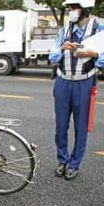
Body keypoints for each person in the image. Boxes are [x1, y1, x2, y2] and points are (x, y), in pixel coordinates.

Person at [49, 0, 104, 180]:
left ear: (85, 9)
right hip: (62, 82)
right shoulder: (64, 29)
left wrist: (94, 54)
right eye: (69, 8)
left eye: (74, 8)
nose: (70, 11)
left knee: (81, 127)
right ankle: (62, 160)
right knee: (61, 126)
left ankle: (74, 164)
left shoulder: (98, 28)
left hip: (84, 82)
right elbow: (52, 56)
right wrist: (62, 48)